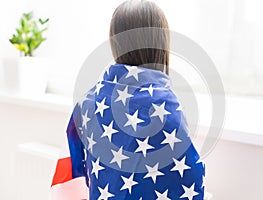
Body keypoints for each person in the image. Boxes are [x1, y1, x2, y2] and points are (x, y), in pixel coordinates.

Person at [51, 0, 205, 199]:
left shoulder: (87, 102)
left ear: (115, 43)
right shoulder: (166, 105)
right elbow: (189, 178)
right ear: (160, 44)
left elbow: (77, 174)